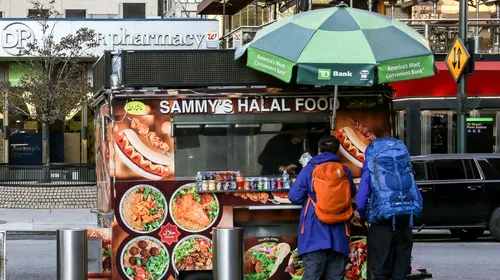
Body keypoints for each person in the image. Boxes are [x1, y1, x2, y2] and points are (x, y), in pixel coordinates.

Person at [288, 135, 356, 280]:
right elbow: (352, 192)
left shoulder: (309, 170)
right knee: (335, 277)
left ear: (318, 150)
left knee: (312, 276)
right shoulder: (344, 170)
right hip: (339, 236)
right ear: (336, 151)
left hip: (314, 234)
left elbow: (294, 197)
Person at [356, 137, 423, 280]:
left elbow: (361, 201)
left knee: (380, 269)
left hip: (381, 225)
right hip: (405, 222)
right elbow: (417, 195)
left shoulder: (371, 170)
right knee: (401, 269)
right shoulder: (404, 168)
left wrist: (364, 216)